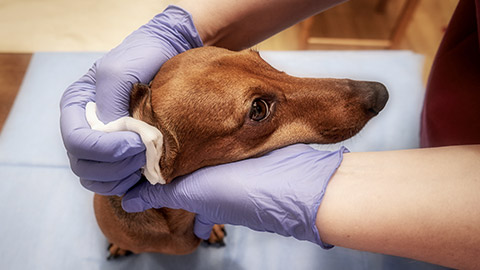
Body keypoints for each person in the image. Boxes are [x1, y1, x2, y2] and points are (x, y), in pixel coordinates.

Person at [60, 0, 480, 269]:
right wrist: (185, 24)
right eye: (257, 109)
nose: (360, 93)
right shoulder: (121, 213)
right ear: (163, 159)